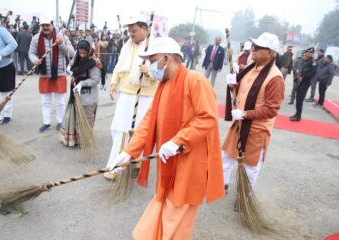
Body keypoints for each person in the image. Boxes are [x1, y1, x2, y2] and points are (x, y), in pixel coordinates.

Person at [107, 37, 224, 239]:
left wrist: (178, 141)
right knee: (164, 200)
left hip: (190, 160)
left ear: (166, 59)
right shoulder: (164, 86)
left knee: (177, 210)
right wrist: (128, 152)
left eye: (152, 60)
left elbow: (207, 118)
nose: (150, 66)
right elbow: (147, 123)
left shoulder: (195, 80)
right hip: (168, 158)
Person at [222, 32, 285, 203]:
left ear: (271, 53)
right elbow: (241, 93)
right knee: (226, 156)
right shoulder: (251, 68)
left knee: (250, 166)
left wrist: (245, 114)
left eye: (259, 48)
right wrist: (232, 84)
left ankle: (244, 198)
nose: (254, 50)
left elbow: (271, 109)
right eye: (254, 47)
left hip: (256, 129)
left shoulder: (275, 77)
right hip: (239, 123)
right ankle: (223, 185)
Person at [104, 15, 157, 180]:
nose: (131, 34)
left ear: (145, 29)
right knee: (117, 128)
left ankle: (116, 167)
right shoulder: (126, 46)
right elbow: (120, 66)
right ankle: (131, 160)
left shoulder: (155, 46)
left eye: (134, 31)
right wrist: (114, 83)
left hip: (144, 95)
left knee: (134, 132)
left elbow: (166, 72)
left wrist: (150, 71)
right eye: (130, 31)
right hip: (126, 93)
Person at [29, 17, 74, 132]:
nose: (45, 27)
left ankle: (60, 122)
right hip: (44, 74)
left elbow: (71, 52)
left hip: (59, 73)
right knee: (45, 101)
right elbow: (31, 53)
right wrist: (34, 60)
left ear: (53, 25)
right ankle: (46, 122)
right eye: (43, 25)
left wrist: (61, 44)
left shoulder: (62, 37)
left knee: (60, 101)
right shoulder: (36, 38)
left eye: (47, 25)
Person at [59, 40, 101, 146]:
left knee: (87, 120)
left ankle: (85, 141)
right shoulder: (77, 56)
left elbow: (95, 80)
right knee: (77, 119)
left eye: (84, 53)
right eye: (80, 52)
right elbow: (73, 66)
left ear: (88, 52)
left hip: (89, 97)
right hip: (76, 95)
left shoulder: (94, 62)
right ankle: (77, 140)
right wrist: (70, 68)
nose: (82, 55)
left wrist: (82, 83)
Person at [290, 47, 317, 121]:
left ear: (312, 53)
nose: (307, 53)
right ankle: (297, 113)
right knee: (298, 97)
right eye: (307, 52)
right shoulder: (305, 60)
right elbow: (301, 69)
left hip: (305, 82)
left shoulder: (313, 62)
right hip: (300, 80)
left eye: (309, 52)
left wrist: (303, 76)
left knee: (300, 99)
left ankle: (298, 116)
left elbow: (312, 73)